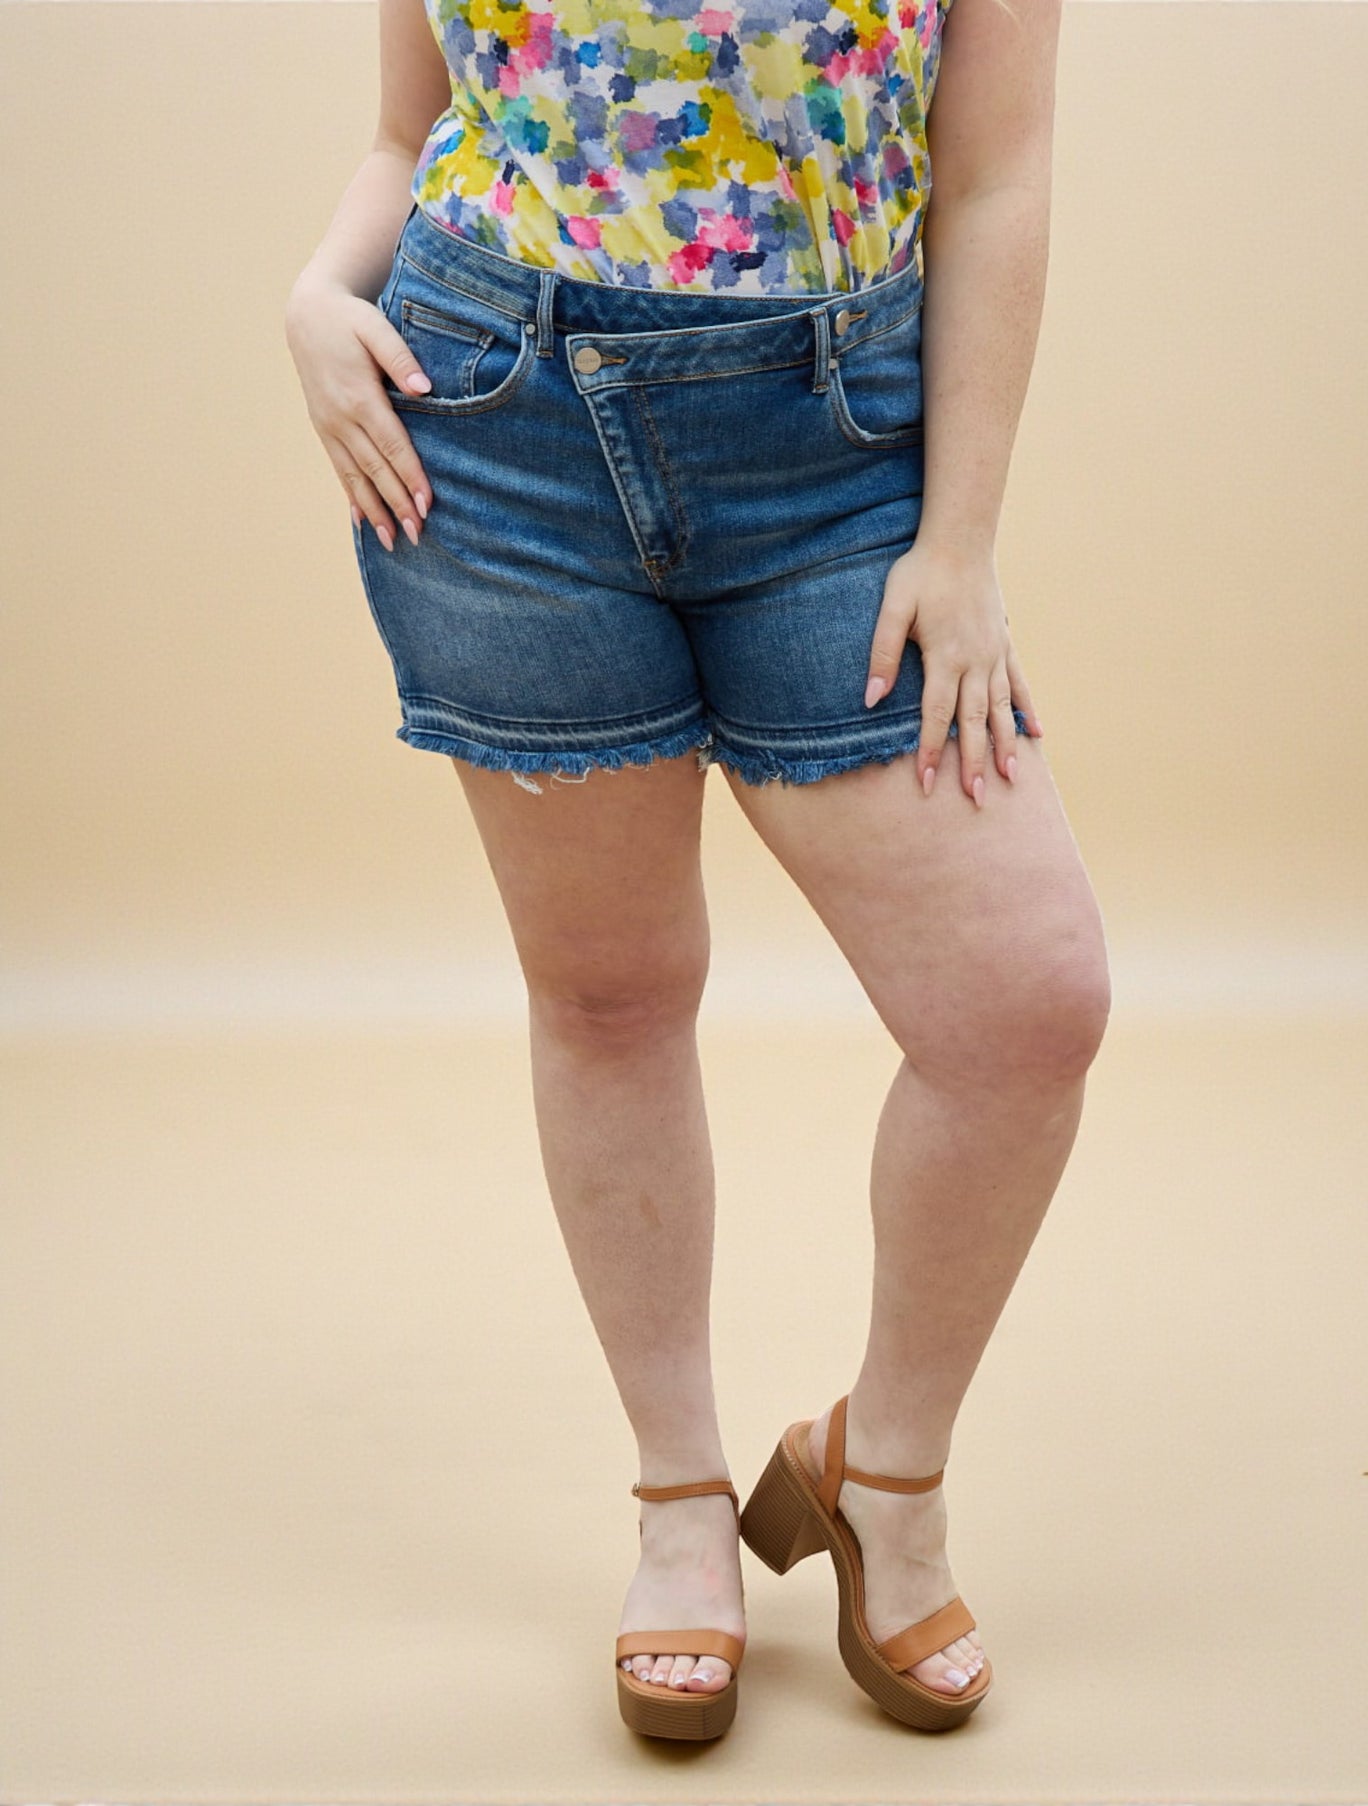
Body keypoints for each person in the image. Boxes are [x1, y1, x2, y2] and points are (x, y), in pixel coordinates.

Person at [284, 0, 1104, 1743]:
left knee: (1024, 1002)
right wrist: (314, 296)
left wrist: (957, 540)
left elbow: (997, 173)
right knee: (609, 991)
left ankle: (881, 1472)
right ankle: (677, 1503)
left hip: (837, 456)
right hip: (491, 434)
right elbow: (406, 130)